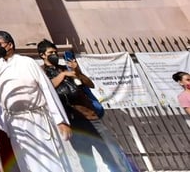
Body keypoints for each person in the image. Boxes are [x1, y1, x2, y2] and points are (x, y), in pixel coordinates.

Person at [0, 31, 75, 172]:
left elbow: (47, 89)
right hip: (15, 123)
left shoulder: (27, 62)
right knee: (27, 163)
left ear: (10, 45)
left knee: (49, 160)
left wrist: (60, 120)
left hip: (38, 120)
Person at [37, 40, 130, 172]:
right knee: (87, 161)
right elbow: (46, 89)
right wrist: (63, 75)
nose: (54, 55)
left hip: (90, 117)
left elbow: (90, 84)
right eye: (50, 53)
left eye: (55, 52)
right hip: (73, 122)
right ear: (42, 55)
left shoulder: (66, 67)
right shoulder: (41, 72)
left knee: (112, 154)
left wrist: (77, 72)